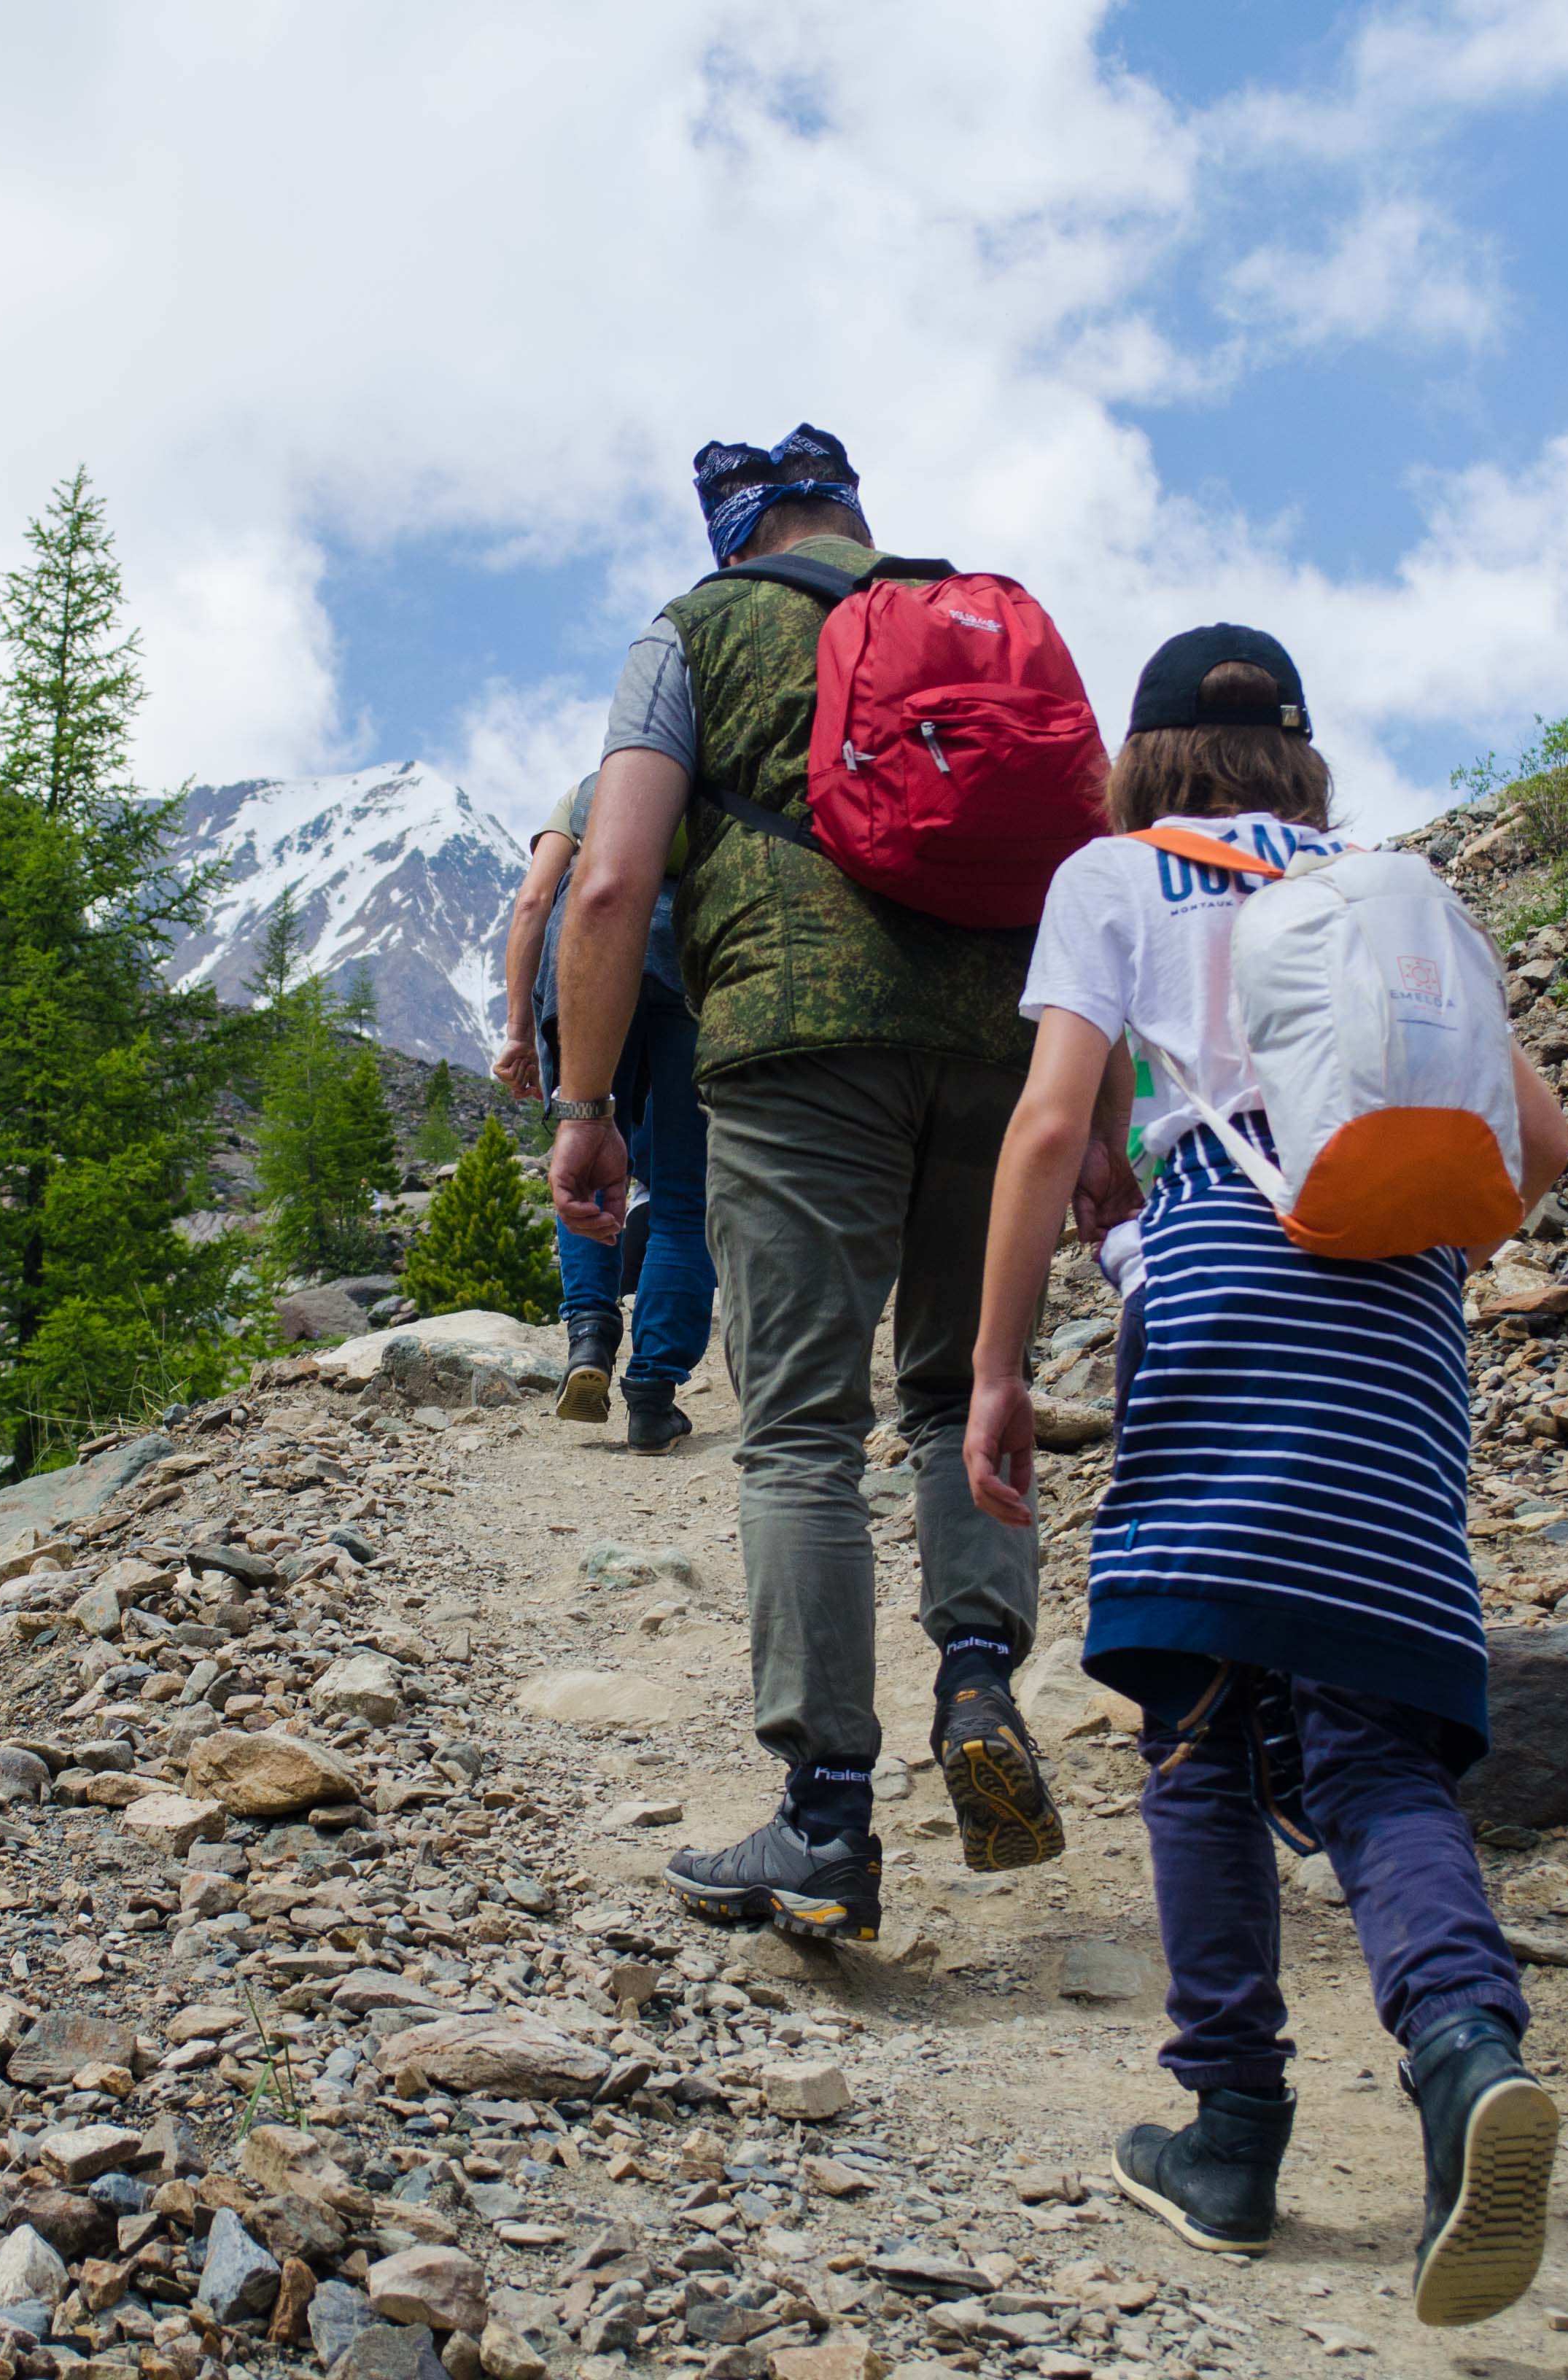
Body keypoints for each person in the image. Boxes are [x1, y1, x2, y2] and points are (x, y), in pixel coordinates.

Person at [960, 626, 1568, 2329]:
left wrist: (998, 1368)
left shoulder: (1113, 877)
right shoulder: (1398, 886)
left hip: (1225, 1291)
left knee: (1205, 1728)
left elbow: (1041, 1123)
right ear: (1300, 756)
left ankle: (1233, 2133)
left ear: (1145, 757)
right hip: (1396, 1319)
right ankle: (1465, 2057)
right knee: (1370, 1742)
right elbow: (1549, 1142)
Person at [549, 424, 1136, 1942]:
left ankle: (823, 1820)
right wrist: (1104, 1125)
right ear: (852, 512)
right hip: (1008, 1049)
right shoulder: (982, 616)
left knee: (803, 1426)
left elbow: (609, 881)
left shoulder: (696, 629)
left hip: (794, 1045)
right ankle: (979, 1678)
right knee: (961, 1387)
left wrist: (588, 1106)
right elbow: (1091, 869)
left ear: (730, 528)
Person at [495, 773, 715, 1450]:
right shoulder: (714, 790)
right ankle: (653, 1394)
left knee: (585, 1167)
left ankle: (589, 1342)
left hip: (588, 964)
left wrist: (517, 1031)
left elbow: (535, 899)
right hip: (689, 969)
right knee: (683, 1196)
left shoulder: (593, 790)